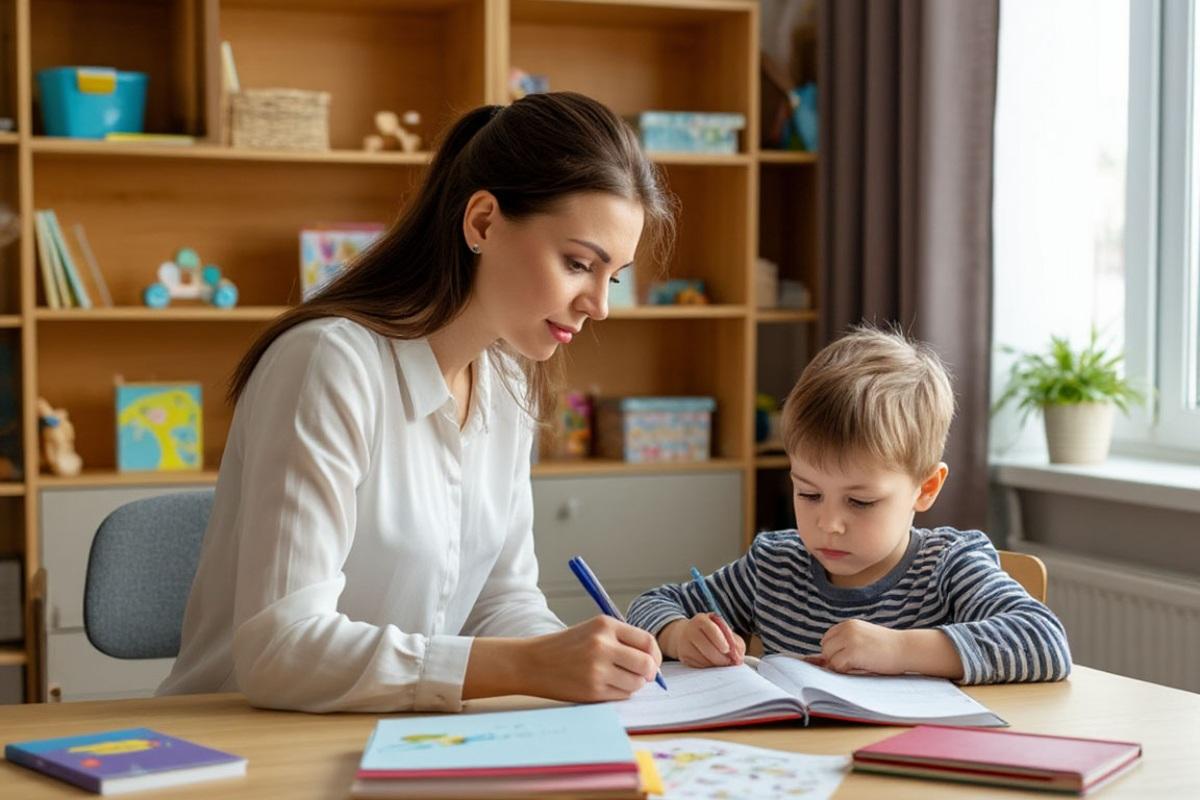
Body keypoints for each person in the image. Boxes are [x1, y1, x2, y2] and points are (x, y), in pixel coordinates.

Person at [158, 92, 676, 712]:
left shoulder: (506, 382)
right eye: (577, 264)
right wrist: (529, 664)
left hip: (399, 738)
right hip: (249, 745)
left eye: (611, 275)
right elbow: (281, 649)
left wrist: (585, 668)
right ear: (482, 222)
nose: (600, 304)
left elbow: (500, 601)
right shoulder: (329, 363)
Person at [627, 325, 1072, 684]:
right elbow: (650, 604)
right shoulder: (775, 566)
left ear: (925, 488)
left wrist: (900, 650)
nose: (829, 523)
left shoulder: (949, 568)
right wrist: (681, 634)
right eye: (809, 494)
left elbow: (1044, 640)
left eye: (860, 502)